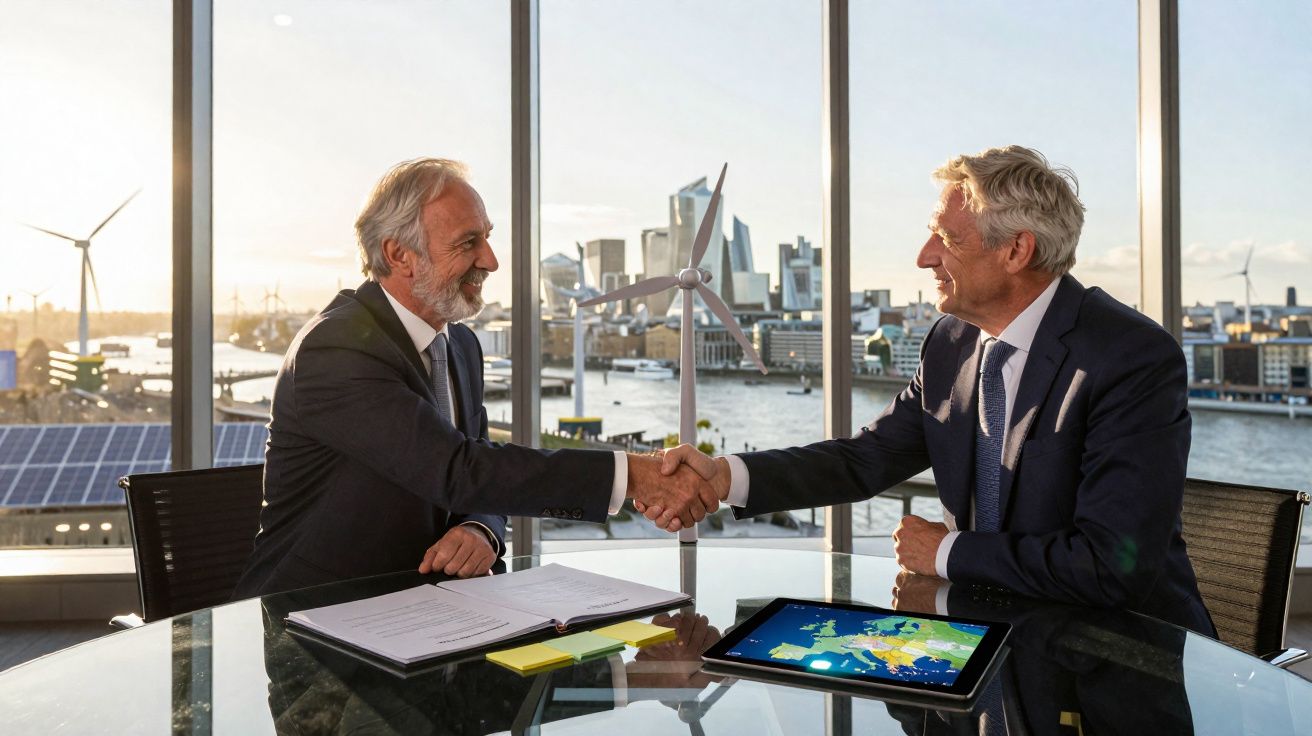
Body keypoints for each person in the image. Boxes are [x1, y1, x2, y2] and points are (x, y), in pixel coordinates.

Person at [652, 146, 1214, 635]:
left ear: (1016, 251)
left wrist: (945, 551)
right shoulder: (951, 342)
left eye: (945, 238)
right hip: (978, 635)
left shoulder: (1130, 358)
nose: (924, 257)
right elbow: (865, 459)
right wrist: (725, 476)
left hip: (1115, 666)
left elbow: (1111, 564)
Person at [233, 158, 714, 598]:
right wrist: (633, 476)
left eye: (487, 237)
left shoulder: (460, 346)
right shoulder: (336, 349)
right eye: (468, 243)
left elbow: (480, 475)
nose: (491, 260)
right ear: (400, 255)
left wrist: (480, 528)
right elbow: (459, 469)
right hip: (315, 624)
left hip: (433, 612)